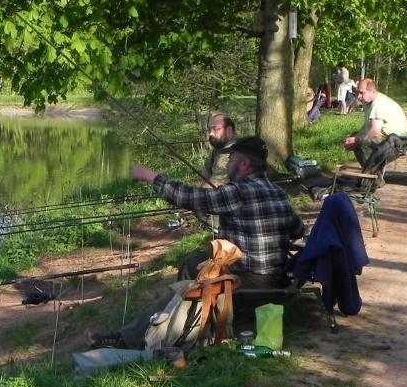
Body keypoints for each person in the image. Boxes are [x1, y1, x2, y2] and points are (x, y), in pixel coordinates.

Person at [94, 137, 305, 349]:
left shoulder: (238, 192)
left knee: (186, 286)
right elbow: (297, 230)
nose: (227, 163)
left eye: (231, 158)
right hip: (277, 280)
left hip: (249, 282)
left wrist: (150, 176)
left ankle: (134, 337)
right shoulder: (278, 193)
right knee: (193, 262)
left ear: (245, 164)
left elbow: (189, 197)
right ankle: (185, 320)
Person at [342, 78, 407, 168]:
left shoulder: (378, 103)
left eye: (362, 93)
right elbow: (367, 127)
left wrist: (356, 140)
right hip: (389, 136)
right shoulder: (369, 103)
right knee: (356, 137)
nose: (358, 96)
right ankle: (369, 169)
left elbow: (375, 131)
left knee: (361, 141)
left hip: (400, 139)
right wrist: (354, 138)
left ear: (373, 91)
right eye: (357, 92)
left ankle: (371, 170)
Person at [201, 113, 237, 187]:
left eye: (215, 129)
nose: (210, 134)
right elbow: (206, 168)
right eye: (209, 130)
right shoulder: (219, 147)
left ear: (229, 131)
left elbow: (213, 186)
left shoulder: (232, 151)